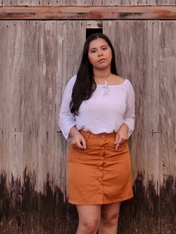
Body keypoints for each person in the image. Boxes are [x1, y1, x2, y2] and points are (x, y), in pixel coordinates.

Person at [58, 30, 136, 234]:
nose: (100, 53)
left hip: (116, 153)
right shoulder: (77, 82)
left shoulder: (125, 86)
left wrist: (125, 128)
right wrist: (74, 134)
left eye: (104, 48)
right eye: (93, 51)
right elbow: (65, 116)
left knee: (110, 219)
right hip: (85, 155)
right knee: (89, 223)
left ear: (111, 52)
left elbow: (130, 116)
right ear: (88, 57)